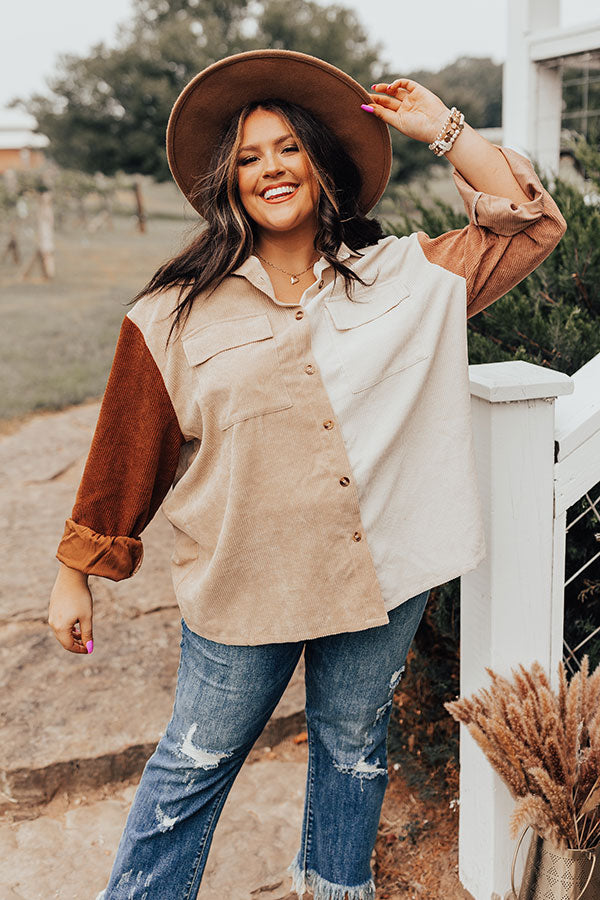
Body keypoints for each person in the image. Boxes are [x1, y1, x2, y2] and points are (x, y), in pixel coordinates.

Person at [47, 49, 566, 900]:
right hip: (244, 583)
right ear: (229, 181)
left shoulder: (411, 277)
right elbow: (124, 449)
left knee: (354, 751)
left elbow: (532, 227)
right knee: (193, 764)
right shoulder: (172, 314)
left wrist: (446, 131)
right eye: (249, 157)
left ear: (322, 165)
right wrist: (77, 572)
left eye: (289, 148)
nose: (271, 169)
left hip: (383, 575)